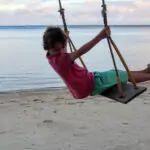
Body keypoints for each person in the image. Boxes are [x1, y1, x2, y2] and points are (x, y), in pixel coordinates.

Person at [43, 26, 150, 99]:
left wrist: (64, 37)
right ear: (56, 44)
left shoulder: (51, 55)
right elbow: (81, 51)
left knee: (116, 72)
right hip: (91, 84)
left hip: (85, 84)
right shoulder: (63, 60)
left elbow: (62, 51)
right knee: (122, 75)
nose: (63, 46)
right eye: (62, 44)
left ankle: (145, 71)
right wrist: (100, 36)